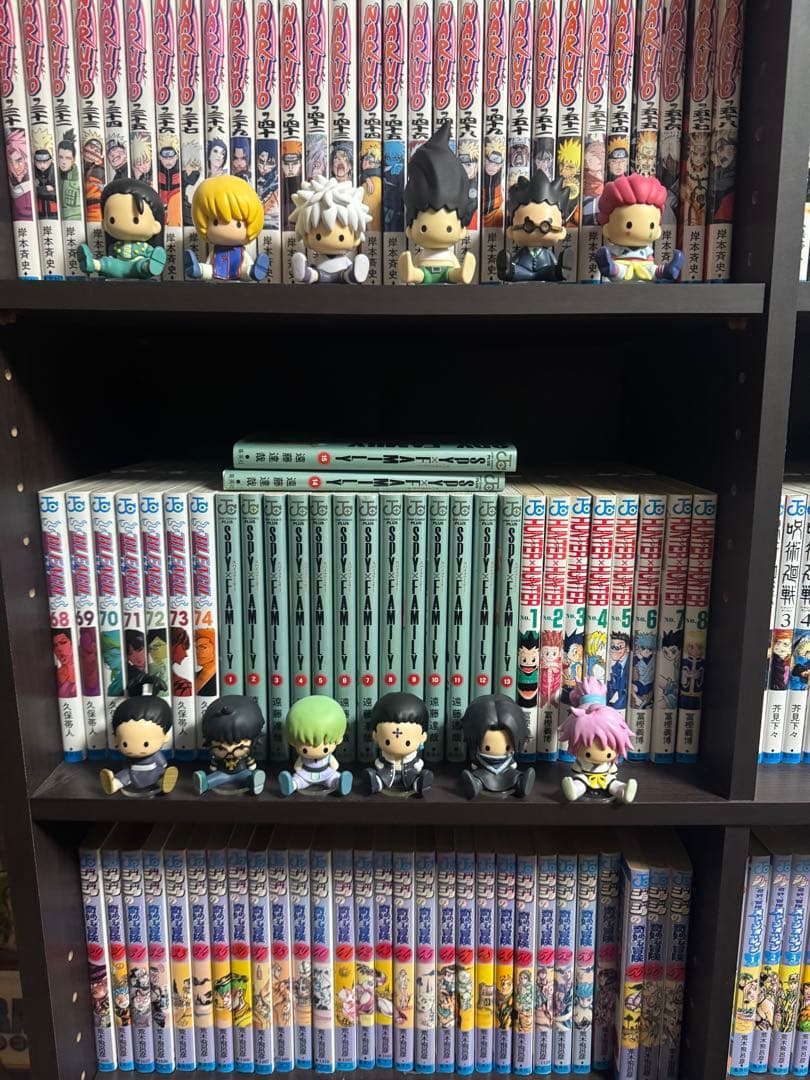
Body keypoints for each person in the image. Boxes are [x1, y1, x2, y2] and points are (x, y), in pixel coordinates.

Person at [399, 122, 476, 284]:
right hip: (424, 274)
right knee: (420, 275)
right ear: (410, 230)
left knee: (452, 274)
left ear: (462, 231)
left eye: (449, 228)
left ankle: (461, 274)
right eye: (423, 228)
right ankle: (412, 274)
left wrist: (458, 273)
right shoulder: (420, 257)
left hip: (448, 275)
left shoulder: (450, 257)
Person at [557, 678, 637, 803]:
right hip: (585, 777)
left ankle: (624, 791)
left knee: (613, 784)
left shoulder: (608, 764)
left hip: (606, 778)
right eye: (588, 753)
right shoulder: (581, 760)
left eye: (608, 754)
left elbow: (612, 770)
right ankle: (574, 791)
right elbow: (577, 768)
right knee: (580, 783)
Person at [99, 675, 178, 795]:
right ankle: (113, 784)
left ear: (165, 736)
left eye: (146, 744)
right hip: (132, 773)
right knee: (124, 775)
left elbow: (163, 764)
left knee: (159, 775)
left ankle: (163, 782)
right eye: (125, 744)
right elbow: (126, 764)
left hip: (153, 773)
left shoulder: (155, 755)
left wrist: (164, 766)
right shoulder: (129, 757)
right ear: (116, 739)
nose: (135, 750)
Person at [77, 178, 167, 279]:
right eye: (112, 220)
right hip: (118, 266)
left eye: (136, 220)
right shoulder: (116, 245)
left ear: (155, 226)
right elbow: (112, 255)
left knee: (141, 264)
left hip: (136, 266)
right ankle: (93, 264)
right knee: (108, 263)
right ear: (104, 224)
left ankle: (148, 266)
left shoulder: (145, 247)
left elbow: (150, 252)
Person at [185, 175, 269, 281]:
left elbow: (246, 261)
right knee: (209, 269)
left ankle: (253, 272)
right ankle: (198, 270)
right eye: (215, 222)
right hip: (216, 277)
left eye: (238, 224)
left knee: (245, 269)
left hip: (239, 276)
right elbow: (210, 264)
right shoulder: (215, 252)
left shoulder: (242, 253)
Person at [289, 176, 372, 284]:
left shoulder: (344, 261)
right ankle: (306, 274)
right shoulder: (318, 260)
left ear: (356, 238)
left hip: (342, 275)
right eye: (318, 236)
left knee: (346, 275)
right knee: (314, 274)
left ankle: (353, 275)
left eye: (341, 237)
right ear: (306, 237)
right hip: (320, 276)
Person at [496, 171, 570, 283]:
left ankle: (560, 271)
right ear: (510, 231)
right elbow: (516, 261)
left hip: (545, 272)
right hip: (523, 273)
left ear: (562, 232)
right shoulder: (522, 252)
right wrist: (511, 265)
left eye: (546, 226)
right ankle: (508, 270)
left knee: (552, 270)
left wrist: (557, 267)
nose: (537, 228)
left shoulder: (548, 254)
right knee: (515, 269)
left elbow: (553, 262)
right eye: (528, 225)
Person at [459, 694, 535, 799]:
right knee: (479, 777)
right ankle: (476, 785)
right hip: (484, 770)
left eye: (507, 747)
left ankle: (520, 783)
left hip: (506, 769)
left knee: (515, 776)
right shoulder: (478, 755)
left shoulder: (510, 758)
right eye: (487, 748)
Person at [277, 695, 353, 796]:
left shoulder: (328, 757)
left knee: (334, 778)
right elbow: (298, 767)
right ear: (293, 742)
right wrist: (298, 769)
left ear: (338, 740)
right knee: (298, 780)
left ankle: (340, 783)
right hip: (306, 774)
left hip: (326, 773)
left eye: (325, 749)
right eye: (305, 750)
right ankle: (291, 785)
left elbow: (335, 766)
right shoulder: (302, 758)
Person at [362, 692, 433, 796]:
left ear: (423, 737)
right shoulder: (385, 757)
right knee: (381, 777)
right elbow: (381, 762)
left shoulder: (412, 759)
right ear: (375, 735)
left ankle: (419, 784)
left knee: (414, 778)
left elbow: (417, 764)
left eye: (407, 743)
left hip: (409, 772)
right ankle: (375, 782)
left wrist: (417, 766)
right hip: (387, 772)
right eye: (388, 742)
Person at [193, 695, 266, 794]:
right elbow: (214, 764)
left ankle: (254, 782)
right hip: (223, 772)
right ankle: (203, 783)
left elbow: (250, 763)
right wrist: (213, 766)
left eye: (240, 747)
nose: (229, 750)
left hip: (242, 771)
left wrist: (252, 767)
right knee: (216, 778)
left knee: (248, 777)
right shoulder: (218, 757)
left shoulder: (245, 757)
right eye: (220, 748)